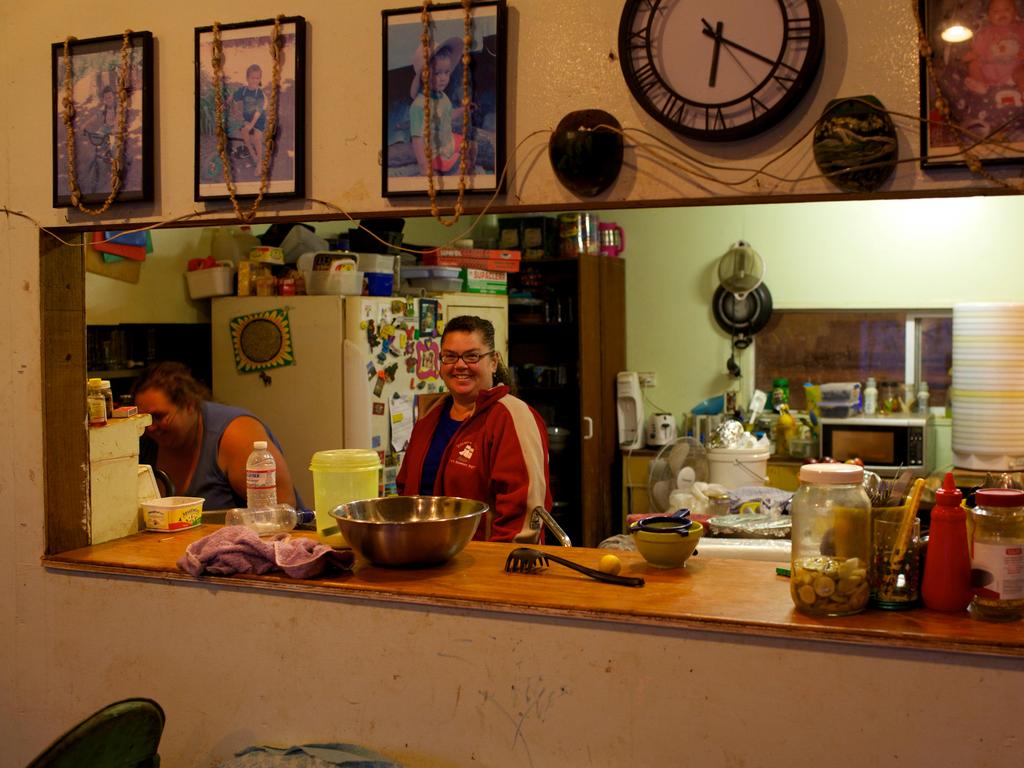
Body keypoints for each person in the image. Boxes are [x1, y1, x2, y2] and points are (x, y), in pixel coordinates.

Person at [396, 316, 551, 543]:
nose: (460, 365)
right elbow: (405, 491)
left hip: (484, 567)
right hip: (424, 559)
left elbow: (524, 512)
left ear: (494, 362)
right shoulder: (430, 417)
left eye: (472, 356)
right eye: (450, 356)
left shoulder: (512, 417)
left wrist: (501, 566)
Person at [131, 362, 300, 511]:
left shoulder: (236, 434)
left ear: (189, 405)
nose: (150, 427)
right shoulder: (145, 441)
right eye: (143, 419)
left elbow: (282, 509)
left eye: (159, 416)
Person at [408, 37, 476, 176]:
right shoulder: (419, 106)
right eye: (437, 73)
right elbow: (417, 139)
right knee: (459, 165)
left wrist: (463, 110)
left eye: (446, 72)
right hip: (434, 151)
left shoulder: (442, 96)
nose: (443, 78)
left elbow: (447, 115)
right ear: (424, 76)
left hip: (446, 141)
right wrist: (423, 165)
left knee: (471, 146)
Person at [964, 0, 1024, 93]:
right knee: (973, 64)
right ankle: (980, 83)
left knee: (1022, 73)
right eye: (996, 11)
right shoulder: (985, 32)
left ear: (1015, 12)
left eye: (1007, 9)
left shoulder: (1020, 28)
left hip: (1015, 69)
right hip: (989, 69)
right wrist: (972, 55)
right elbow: (977, 50)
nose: (1001, 13)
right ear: (988, 16)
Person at [231, 63, 267, 169]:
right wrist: (233, 109)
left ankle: (259, 163)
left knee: (256, 138)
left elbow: (258, 113)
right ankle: (252, 154)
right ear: (247, 78)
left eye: (257, 78)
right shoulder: (244, 90)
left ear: (260, 79)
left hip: (258, 119)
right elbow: (234, 97)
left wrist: (251, 125)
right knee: (245, 135)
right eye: (252, 78)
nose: (255, 80)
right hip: (247, 118)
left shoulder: (259, 93)